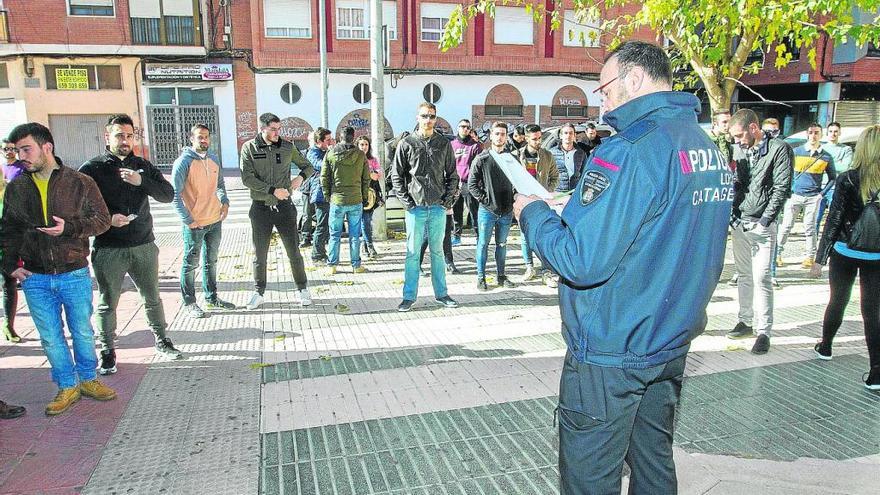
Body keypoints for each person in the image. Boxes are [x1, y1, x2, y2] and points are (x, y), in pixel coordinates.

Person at [513, 41, 732, 494]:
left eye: (606, 88)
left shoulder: (630, 150)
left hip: (614, 348)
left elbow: (580, 260)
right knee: (653, 463)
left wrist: (532, 214)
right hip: (668, 340)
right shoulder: (703, 145)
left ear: (635, 80)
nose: (602, 99)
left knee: (591, 477)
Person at [0, 122, 116, 416]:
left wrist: (70, 229)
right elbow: (9, 229)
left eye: (26, 149)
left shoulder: (79, 182)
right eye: (16, 150)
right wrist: (9, 265)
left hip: (74, 272)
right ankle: (67, 385)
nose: (20, 155)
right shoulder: (17, 187)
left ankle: (89, 380)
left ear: (46, 147)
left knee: (82, 332)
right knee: (50, 336)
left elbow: (102, 220)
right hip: (35, 277)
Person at [79, 114, 182, 375]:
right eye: (119, 135)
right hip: (109, 247)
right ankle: (107, 351)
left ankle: (162, 340)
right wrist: (108, 220)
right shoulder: (93, 168)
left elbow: (168, 195)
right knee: (107, 301)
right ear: (107, 137)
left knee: (152, 298)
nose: (124, 141)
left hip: (143, 244)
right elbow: (79, 207)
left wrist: (142, 182)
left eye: (128, 135)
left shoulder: (143, 165)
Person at [811, 125, 880, 390]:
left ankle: (826, 346)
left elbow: (834, 219)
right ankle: (876, 371)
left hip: (845, 251)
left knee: (837, 300)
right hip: (876, 255)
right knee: (872, 311)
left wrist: (820, 257)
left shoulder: (848, 178)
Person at [727, 109, 793, 355]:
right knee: (744, 274)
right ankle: (745, 320)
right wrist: (733, 214)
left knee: (762, 277)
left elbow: (782, 187)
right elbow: (738, 181)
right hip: (740, 220)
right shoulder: (739, 148)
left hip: (762, 223)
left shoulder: (779, 149)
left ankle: (764, 331)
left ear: (754, 128)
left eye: (739, 135)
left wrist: (765, 221)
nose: (737, 141)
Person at [240, 113, 314, 310]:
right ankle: (259, 292)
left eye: (279, 129)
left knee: (294, 251)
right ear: (262, 128)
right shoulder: (250, 148)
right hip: (260, 208)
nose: (277, 133)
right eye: (273, 129)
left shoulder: (287, 147)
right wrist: (272, 190)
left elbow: (308, 166)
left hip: (285, 209)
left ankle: (302, 289)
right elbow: (247, 178)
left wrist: (299, 179)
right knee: (260, 254)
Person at [391, 102, 460, 312]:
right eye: (424, 116)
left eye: (431, 116)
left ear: (436, 118)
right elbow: (396, 176)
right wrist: (408, 203)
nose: (428, 120)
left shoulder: (443, 143)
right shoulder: (407, 143)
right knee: (413, 253)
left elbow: (453, 175)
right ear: (417, 117)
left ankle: (442, 294)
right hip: (415, 209)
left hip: (438, 207)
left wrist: (446, 201)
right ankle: (408, 296)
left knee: (438, 252)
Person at [171, 124, 232, 319]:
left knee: (211, 262)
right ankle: (190, 303)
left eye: (206, 137)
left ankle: (212, 297)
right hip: (194, 224)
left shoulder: (213, 159)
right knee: (190, 265)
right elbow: (174, 194)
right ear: (191, 139)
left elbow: (220, 184)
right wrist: (188, 220)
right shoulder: (183, 162)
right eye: (199, 137)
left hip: (215, 220)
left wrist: (225, 202)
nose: (204, 140)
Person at [777, 123, 836, 270]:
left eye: (816, 133)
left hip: (813, 197)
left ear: (821, 135)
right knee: (786, 226)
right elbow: (786, 171)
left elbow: (833, 178)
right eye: (811, 132)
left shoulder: (826, 156)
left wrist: (821, 194)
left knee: (810, 228)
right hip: (795, 195)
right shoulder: (796, 152)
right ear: (807, 134)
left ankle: (810, 256)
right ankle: (777, 254)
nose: (813, 135)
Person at [468, 121, 517, 291]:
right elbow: (472, 184)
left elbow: (518, 182)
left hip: (506, 211)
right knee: (483, 244)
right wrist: (485, 200)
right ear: (491, 135)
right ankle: (481, 278)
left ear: (506, 136)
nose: (500, 137)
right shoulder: (482, 158)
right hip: (487, 211)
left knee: (502, 244)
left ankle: (501, 276)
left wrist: (514, 199)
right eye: (497, 133)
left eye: (503, 134)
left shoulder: (512, 158)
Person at [322, 126, 370, 274]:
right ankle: (356, 265)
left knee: (334, 234)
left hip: (337, 199)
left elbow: (324, 177)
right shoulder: (361, 155)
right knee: (355, 234)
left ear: (340, 136)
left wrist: (327, 195)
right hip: (356, 199)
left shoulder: (331, 153)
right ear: (353, 137)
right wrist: (364, 196)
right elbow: (366, 178)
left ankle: (332, 266)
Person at [516, 124, 558, 281]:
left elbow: (554, 176)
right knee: (524, 234)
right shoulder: (517, 156)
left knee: (543, 234)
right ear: (526, 138)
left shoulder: (547, 155)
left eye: (540, 138)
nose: (538, 141)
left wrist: (546, 192)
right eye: (534, 139)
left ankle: (546, 270)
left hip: (541, 202)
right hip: (525, 201)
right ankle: (529, 267)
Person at [1, 138, 25, 343]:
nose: (9, 152)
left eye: (12, 149)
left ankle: (8, 325)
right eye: (5, 149)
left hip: (10, 234)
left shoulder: (22, 170)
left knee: (8, 282)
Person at [815, 121, 854, 230]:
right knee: (816, 218)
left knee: (835, 218)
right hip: (820, 186)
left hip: (836, 187)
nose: (833, 134)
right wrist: (836, 163)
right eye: (831, 131)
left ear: (840, 132)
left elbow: (845, 167)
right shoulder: (820, 148)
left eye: (836, 131)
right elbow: (816, 166)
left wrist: (827, 163)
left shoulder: (846, 149)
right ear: (827, 133)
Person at [450, 119, 482, 244]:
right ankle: (457, 236)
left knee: (474, 212)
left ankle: (479, 236)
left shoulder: (475, 145)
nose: (465, 129)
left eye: (468, 127)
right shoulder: (452, 144)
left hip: (470, 184)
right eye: (463, 126)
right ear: (458, 128)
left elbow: (479, 166)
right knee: (456, 212)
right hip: (456, 184)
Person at [306, 128, 332, 263]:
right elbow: (321, 165)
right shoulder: (313, 153)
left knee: (327, 225)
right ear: (318, 141)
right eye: (328, 140)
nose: (331, 142)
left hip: (330, 193)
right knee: (321, 225)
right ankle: (317, 254)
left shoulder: (326, 152)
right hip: (320, 194)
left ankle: (323, 251)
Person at [356, 135, 382, 258]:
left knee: (367, 221)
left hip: (371, 194)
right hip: (358, 194)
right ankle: (369, 245)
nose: (364, 147)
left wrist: (369, 173)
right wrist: (370, 173)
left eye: (366, 144)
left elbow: (377, 175)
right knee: (364, 220)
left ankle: (365, 246)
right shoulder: (354, 158)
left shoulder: (373, 160)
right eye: (361, 144)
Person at [549, 123, 588, 193]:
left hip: (574, 192)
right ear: (561, 136)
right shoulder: (551, 153)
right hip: (557, 192)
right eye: (565, 133)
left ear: (574, 136)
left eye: (571, 133)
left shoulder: (581, 153)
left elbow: (584, 174)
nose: (568, 136)